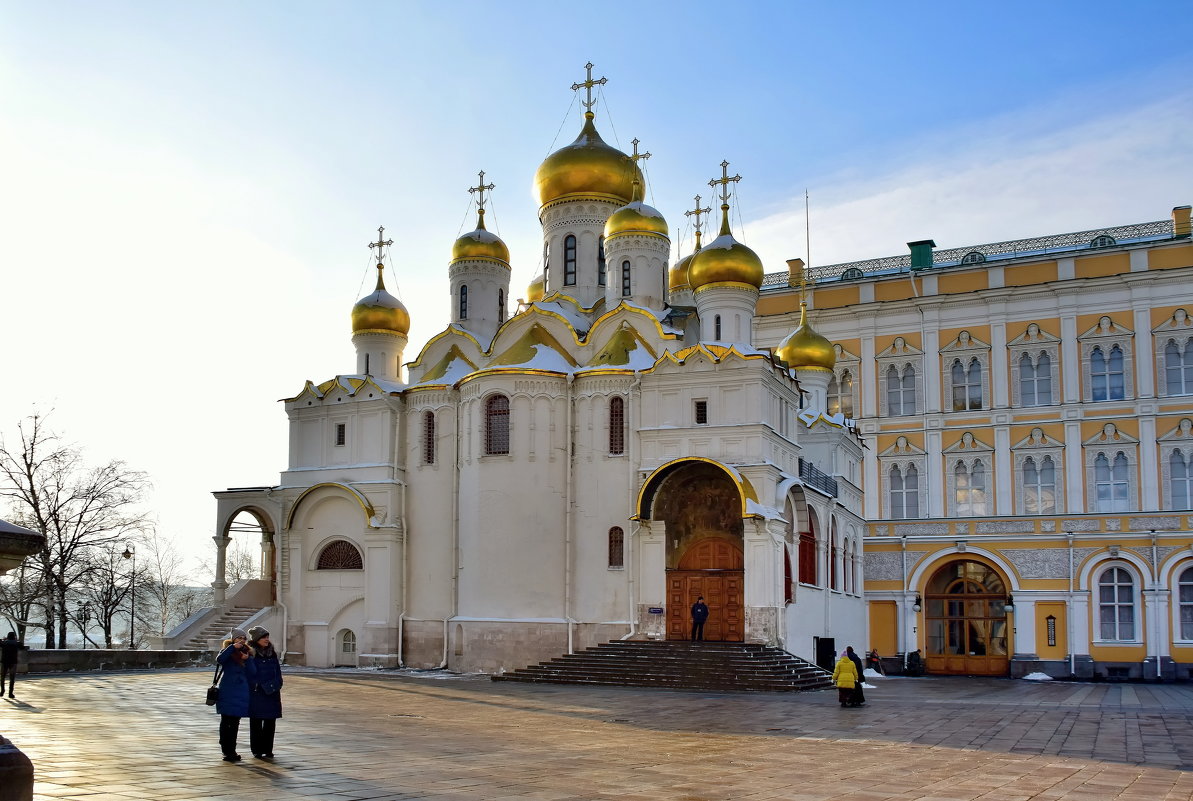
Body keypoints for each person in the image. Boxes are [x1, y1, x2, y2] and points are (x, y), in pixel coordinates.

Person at [216, 628, 256, 762]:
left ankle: (232, 749)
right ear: (233, 640)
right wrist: (232, 648)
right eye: (239, 638)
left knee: (235, 723)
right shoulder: (228, 652)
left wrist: (248, 659)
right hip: (228, 690)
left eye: (244, 639)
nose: (242, 641)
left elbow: (253, 672)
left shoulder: (247, 653)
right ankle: (226, 750)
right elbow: (220, 659)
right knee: (226, 721)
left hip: (241, 692)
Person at [246, 625, 283, 759]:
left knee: (270, 723)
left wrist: (277, 683)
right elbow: (249, 673)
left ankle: (268, 749)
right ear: (257, 639)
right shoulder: (251, 654)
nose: (267, 640)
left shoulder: (272, 653)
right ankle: (256, 749)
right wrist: (257, 685)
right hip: (257, 692)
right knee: (256, 722)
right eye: (264, 637)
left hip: (272, 692)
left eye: (267, 637)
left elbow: (277, 672)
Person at [1, 631, 25, 698]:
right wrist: (17, 641)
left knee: (2, 677)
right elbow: (22, 647)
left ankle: (2, 691)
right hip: (13, 662)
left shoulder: (4, 643)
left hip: (4, 661)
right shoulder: (16, 643)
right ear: (14, 637)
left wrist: (4, 640)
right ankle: (10, 693)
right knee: (12, 678)